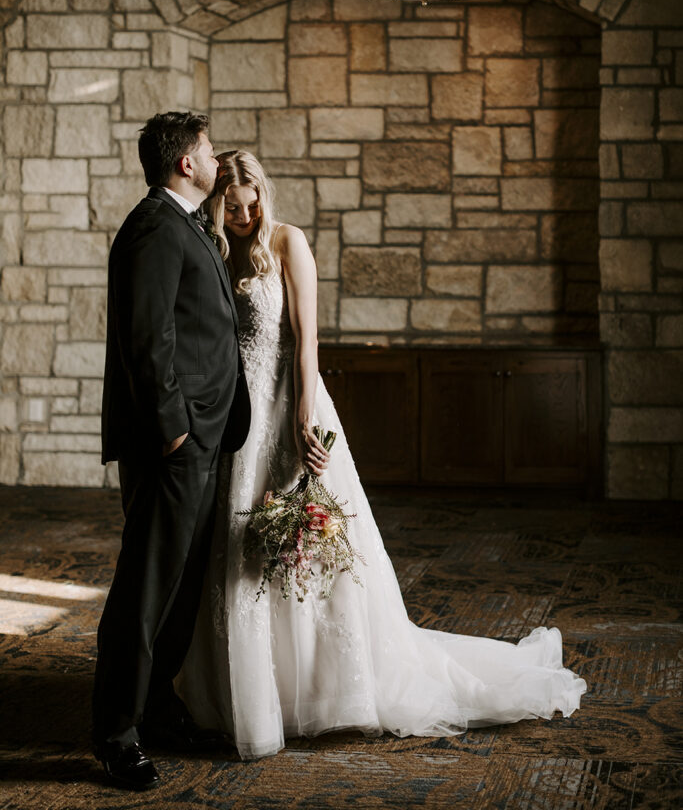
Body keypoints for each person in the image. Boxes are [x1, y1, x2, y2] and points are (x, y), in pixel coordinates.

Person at [178, 150, 586, 761]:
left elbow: (306, 338)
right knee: (238, 550)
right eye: (231, 206)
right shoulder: (216, 249)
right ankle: (251, 691)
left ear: (264, 193)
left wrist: (301, 422)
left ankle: (326, 689)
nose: (243, 214)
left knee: (310, 550)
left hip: (291, 400)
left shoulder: (288, 243)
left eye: (251, 202)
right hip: (237, 417)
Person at [93, 113, 250, 790]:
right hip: (177, 442)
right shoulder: (155, 226)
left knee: (182, 587)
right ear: (185, 163)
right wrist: (172, 429)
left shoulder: (187, 222)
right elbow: (145, 335)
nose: (217, 161)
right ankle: (116, 732)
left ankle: (157, 708)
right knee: (147, 589)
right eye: (209, 152)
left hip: (208, 434)